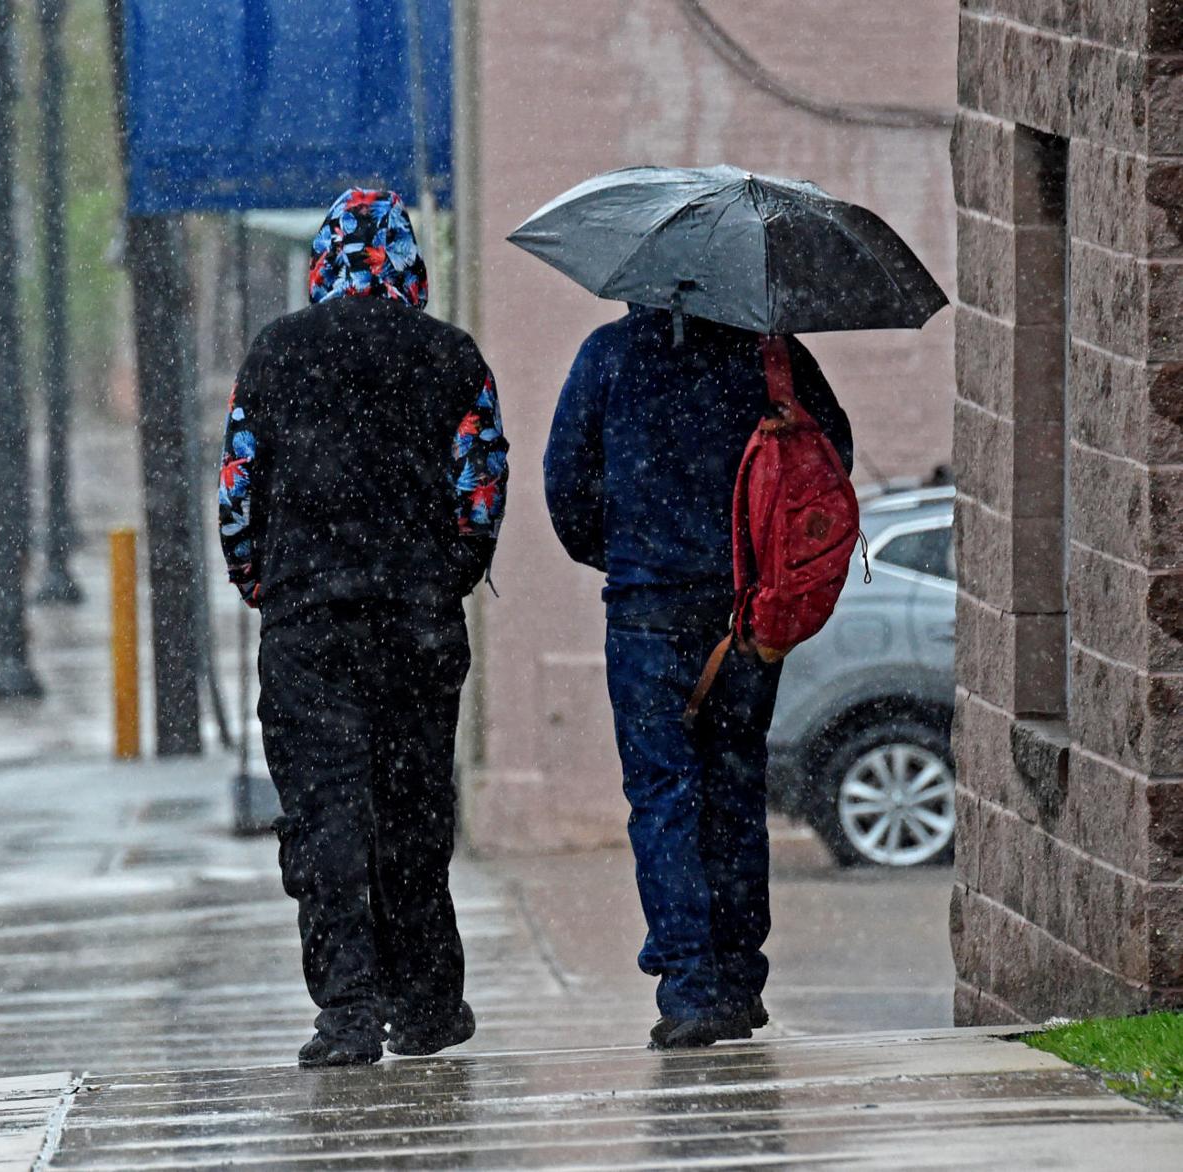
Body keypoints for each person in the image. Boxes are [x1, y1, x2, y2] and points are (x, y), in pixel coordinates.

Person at [218, 188, 508, 1068]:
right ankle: (428, 1001)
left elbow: (238, 493)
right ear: (407, 263)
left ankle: (347, 1009)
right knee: (412, 811)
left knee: (326, 815)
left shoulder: (277, 353)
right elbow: (481, 492)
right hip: (416, 626)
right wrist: (441, 578)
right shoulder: (451, 357)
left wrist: (267, 585)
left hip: (310, 627)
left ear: (324, 259)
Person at [543, 307, 851, 1049]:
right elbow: (830, 454)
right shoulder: (771, 356)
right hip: (746, 612)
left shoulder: (608, 355)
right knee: (735, 789)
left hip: (646, 610)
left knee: (663, 795)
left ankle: (688, 987)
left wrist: (627, 552)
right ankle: (739, 979)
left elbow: (566, 488)